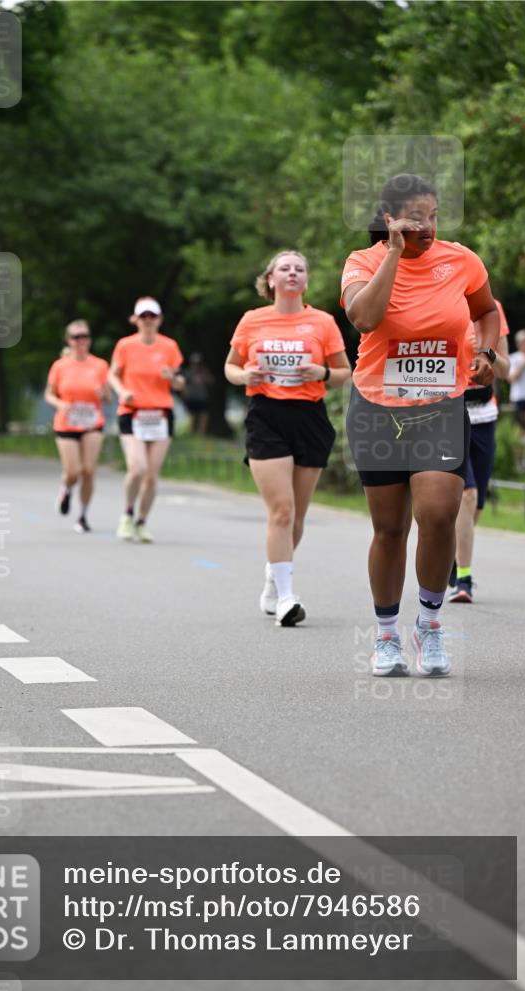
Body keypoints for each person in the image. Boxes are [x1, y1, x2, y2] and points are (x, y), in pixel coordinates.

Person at [341, 173, 499, 676]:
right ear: (390, 219)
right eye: (416, 218)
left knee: (437, 514)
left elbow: (487, 311)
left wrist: (487, 350)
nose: (428, 227)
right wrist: (392, 253)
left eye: (434, 216)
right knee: (390, 529)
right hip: (377, 409)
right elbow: (364, 319)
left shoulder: (461, 260)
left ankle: (429, 626)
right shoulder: (362, 262)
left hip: (440, 408)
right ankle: (386, 636)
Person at [225, 250, 351, 626]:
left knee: (296, 518)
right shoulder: (252, 320)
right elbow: (230, 366)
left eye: (299, 269)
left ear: (306, 281)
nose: (293, 273)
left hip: (309, 418)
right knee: (280, 510)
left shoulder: (322, 322)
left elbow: (347, 372)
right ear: (271, 280)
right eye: (285, 268)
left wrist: (322, 372)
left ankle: (273, 576)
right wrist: (244, 377)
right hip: (266, 416)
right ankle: (287, 598)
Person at [109, 297, 185, 543]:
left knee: (152, 474)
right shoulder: (125, 346)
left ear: (160, 320)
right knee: (137, 467)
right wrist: (121, 392)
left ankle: (141, 522)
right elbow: (112, 375)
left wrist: (172, 378)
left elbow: (181, 382)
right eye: (143, 317)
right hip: (132, 412)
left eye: (152, 316)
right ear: (135, 320)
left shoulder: (169, 347)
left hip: (161, 414)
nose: (148, 321)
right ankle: (127, 514)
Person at [449, 300, 510, 602]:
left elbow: (507, 369)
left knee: (478, 502)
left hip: (484, 415)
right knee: (467, 494)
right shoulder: (441, 303)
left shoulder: (492, 310)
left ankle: (452, 558)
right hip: (449, 414)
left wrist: (489, 356)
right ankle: (464, 579)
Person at [45, 319, 111, 533]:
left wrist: (104, 395)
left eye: (85, 336)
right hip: (67, 423)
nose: (81, 341)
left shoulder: (100, 365)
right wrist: (60, 404)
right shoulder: (60, 366)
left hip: (92, 422)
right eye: (76, 337)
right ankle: (66, 489)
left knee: (89, 471)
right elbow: (49, 394)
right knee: (73, 471)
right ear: (68, 340)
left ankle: (82, 516)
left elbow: (108, 397)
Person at [183, 353, 213, 435]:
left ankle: (201, 433)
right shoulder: (188, 373)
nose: (197, 365)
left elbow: (211, 381)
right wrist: (185, 395)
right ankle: (192, 433)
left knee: (204, 415)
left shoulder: (204, 372)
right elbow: (184, 385)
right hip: (192, 397)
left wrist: (205, 374)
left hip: (202, 397)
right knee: (193, 416)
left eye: (198, 363)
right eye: (195, 363)